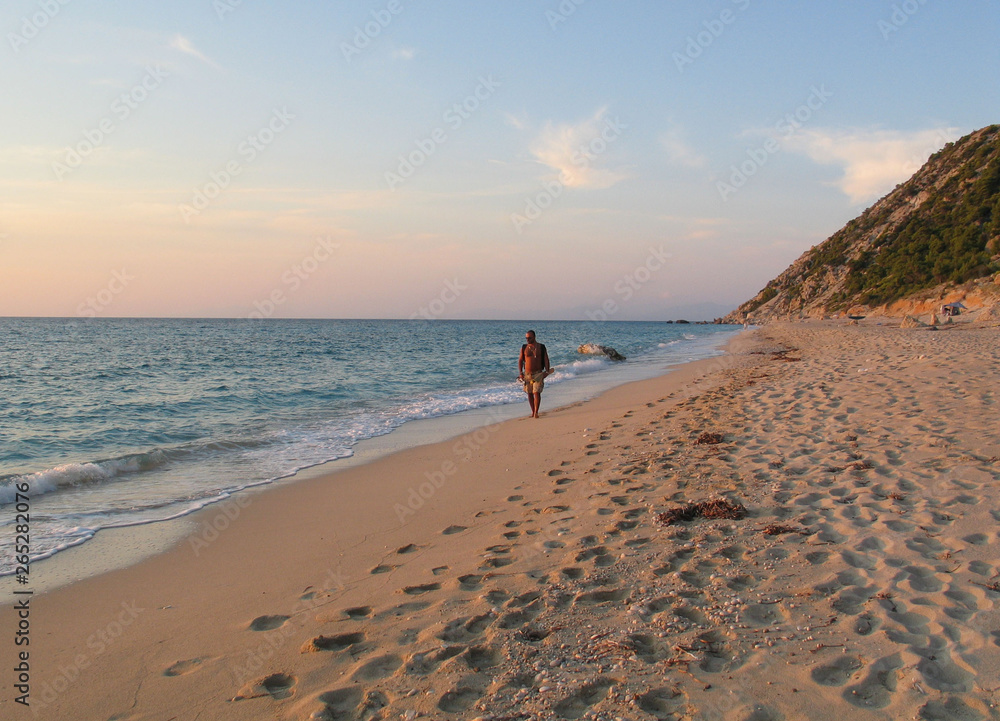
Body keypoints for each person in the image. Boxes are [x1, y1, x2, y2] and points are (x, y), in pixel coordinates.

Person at [518, 330, 552, 418]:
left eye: (529, 338)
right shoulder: (524, 347)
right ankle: (533, 411)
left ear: (534, 337)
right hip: (527, 374)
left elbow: (546, 359)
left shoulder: (541, 347)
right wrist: (521, 373)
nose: (527, 340)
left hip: (538, 373)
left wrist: (547, 371)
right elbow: (521, 360)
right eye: (526, 338)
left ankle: (536, 412)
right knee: (529, 393)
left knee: (536, 392)